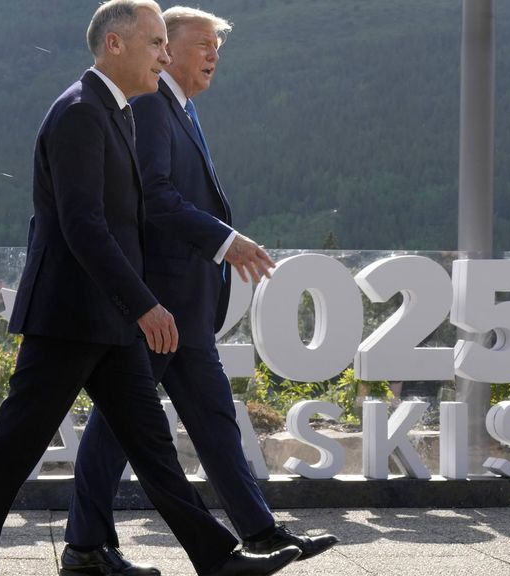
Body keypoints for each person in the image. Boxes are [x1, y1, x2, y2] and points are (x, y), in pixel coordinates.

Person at [0, 2, 300, 576]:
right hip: (69, 318)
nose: (164, 54)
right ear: (114, 44)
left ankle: (216, 558)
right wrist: (145, 304)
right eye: (156, 43)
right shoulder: (80, 113)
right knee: (15, 444)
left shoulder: (118, 112)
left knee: (153, 447)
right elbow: (83, 226)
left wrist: (133, 308)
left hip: (108, 320)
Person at [63, 6, 339, 576]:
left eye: (218, 47)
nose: (214, 55)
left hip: (186, 307)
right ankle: (84, 546)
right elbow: (155, 197)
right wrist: (226, 241)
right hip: (156, 306)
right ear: (167, 48)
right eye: (203, 44)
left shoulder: (180, 108)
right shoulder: (150, 105)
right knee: (116, 428)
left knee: (214, 422)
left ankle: (259, 532)